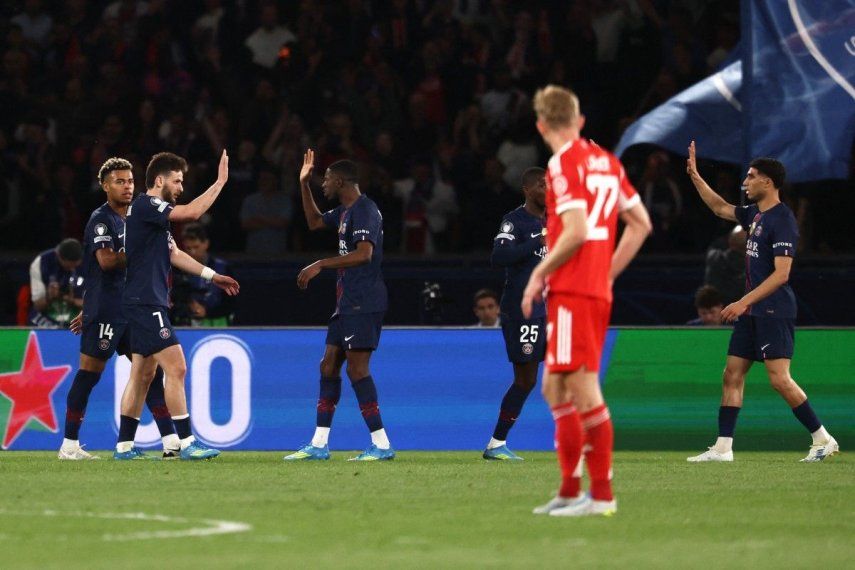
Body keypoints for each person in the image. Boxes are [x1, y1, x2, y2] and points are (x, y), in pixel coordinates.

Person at [522, 85, 652, 517]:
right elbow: (640, 224)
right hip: (588, 289)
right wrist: (608, 274)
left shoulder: (563, 163)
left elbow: (576, 230)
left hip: (573, 290)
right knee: (554, 386)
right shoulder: (608, 162)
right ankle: (569, 489)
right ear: (579, 121)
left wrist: (539, 272)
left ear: (542, 126)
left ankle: (601, 496)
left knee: (582, 389)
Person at [685, 141, 838, 462]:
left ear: (767, 182)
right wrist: (696, 177)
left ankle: (823, 438)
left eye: (751, 177)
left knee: (779, 379)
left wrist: (743, 302)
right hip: (753, 311)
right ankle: (723, 448)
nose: (745, 182)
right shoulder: (755, 213)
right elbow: (720, 208)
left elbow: (782, 274)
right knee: (731, 374)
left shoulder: (783, 220)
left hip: (773, 308)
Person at [114, 150, 240, 460]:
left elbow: (174, 254)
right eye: (178, 181)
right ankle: (186, 443)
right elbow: (192, 212)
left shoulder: (152, 217)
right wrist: (221, 182)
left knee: (143, 375)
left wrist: (212, 276)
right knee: (178, 367)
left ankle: (124, 447)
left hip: (145, 300)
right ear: (160, 181)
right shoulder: (146, 204)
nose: (181, 187)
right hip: (146, 301)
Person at [60, 158, 178, 460]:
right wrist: (90, 308)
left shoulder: (139, 215)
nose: (127, 187)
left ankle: (170, 442)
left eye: (130, 181)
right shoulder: (101, 219)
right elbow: (106, 262)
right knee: (90, 374)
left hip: (133, 308)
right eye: (119, 182)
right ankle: (69, 445)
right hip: (106, 310)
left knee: (148, 375)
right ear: (105, 185)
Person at [284, 150, 394, 461]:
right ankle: (319, 444)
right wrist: (303, 184)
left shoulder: (365, 210)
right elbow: (314, 222)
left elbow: (364, 254)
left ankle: (382, 444)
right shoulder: (345, 212)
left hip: (364, 301)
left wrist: (320, 263)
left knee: (358, 370)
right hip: (346, 303)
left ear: (342, 180)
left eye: (328, 179)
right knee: (328, 365)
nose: (324, 184)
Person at [483, 167, 547, 461]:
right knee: (525, 379)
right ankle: (496, 444)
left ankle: (498, 444)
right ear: (528, 189)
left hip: (546, 308)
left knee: (542, 377)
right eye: (544, 186)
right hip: (522, 309)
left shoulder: (555, 220)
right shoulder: (515, 221)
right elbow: (500, 256)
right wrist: (539, 240)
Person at [171, 223, 234, 326]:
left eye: (196, 247)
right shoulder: (177, 270)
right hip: (184, 324)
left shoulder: (222, 269)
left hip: (218, 325)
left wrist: (207, 312)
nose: (193, 252)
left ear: (206, 243)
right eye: (188, 248)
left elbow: (231, 303)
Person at [29, 238, 84, 328]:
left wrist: (73, 301)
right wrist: (50, 296)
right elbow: (38, 305)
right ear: (59, 256)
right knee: (37, 321)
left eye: (75, 265)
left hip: (79, 317)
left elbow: (96, 303)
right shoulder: (41, 262)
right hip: (48, 317)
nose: (72, 269)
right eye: (68, 265)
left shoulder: (89, 264)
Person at [705, 224, 747, 305]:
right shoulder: (754, 269)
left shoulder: (714, 257)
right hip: (739, 312)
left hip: (716, 311)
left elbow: (717, 244)